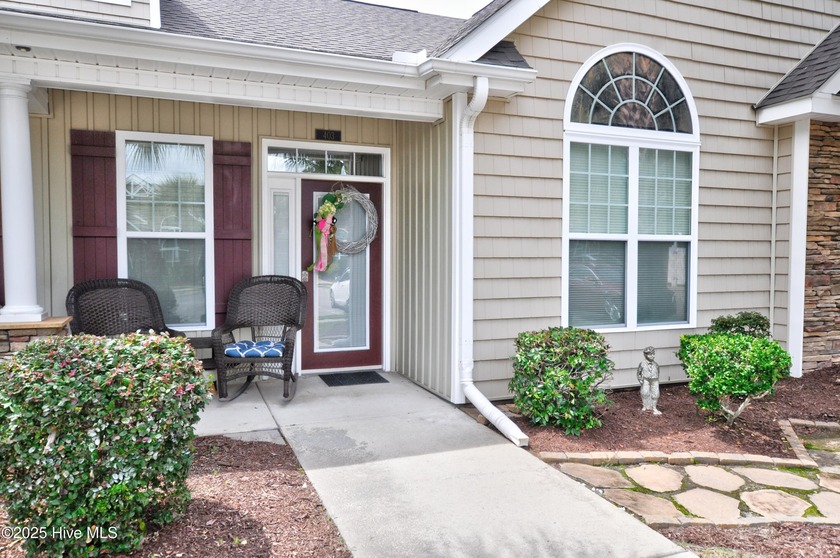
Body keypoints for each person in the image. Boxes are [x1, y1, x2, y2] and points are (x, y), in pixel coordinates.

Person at [637, 346, 661, 415]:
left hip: (654, 380)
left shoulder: (656, 364)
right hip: (646, 380)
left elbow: (658, 372)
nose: (652, 356)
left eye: (653, 354)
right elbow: (639, 373)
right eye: (650, 354)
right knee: (644, 392)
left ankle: (654, 407)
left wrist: (657, 379)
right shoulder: (642, 364)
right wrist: (640, 380)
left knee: (656, 393)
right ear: (645, 355)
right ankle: (645, 406)